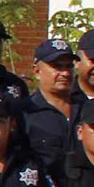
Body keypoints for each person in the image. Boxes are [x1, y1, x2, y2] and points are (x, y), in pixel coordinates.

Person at [19, 37, 80, 167]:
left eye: (69, 66)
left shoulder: (87, 109)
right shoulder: (25, 114)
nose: (65, 73)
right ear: (37, 71)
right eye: (57, 66)